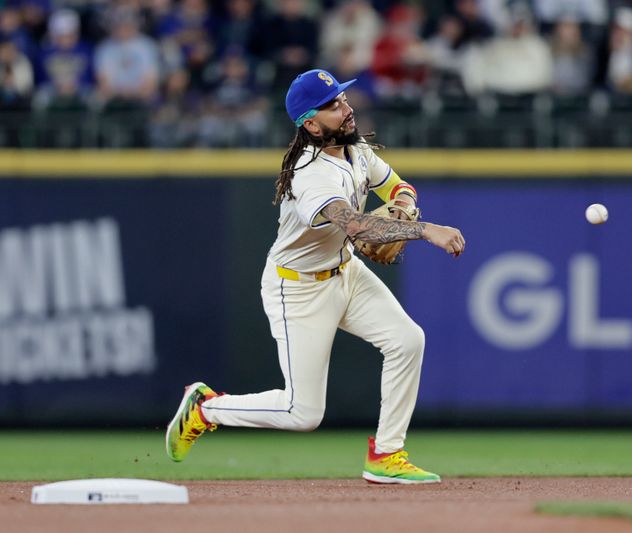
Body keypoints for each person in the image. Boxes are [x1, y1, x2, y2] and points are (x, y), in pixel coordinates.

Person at [166, 68, 466, 484]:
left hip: (346, 273)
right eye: (334, 105)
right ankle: (204, 408)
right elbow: (357, 226)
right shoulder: (311, 175)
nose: (346, 108)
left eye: (343, 99)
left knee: (407, 340)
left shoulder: (356, 149)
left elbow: (398, 186)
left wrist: (404, 205)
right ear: (310, 122)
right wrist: (424, 229)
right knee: (303, 413)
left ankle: (386, 453)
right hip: (298, 289)